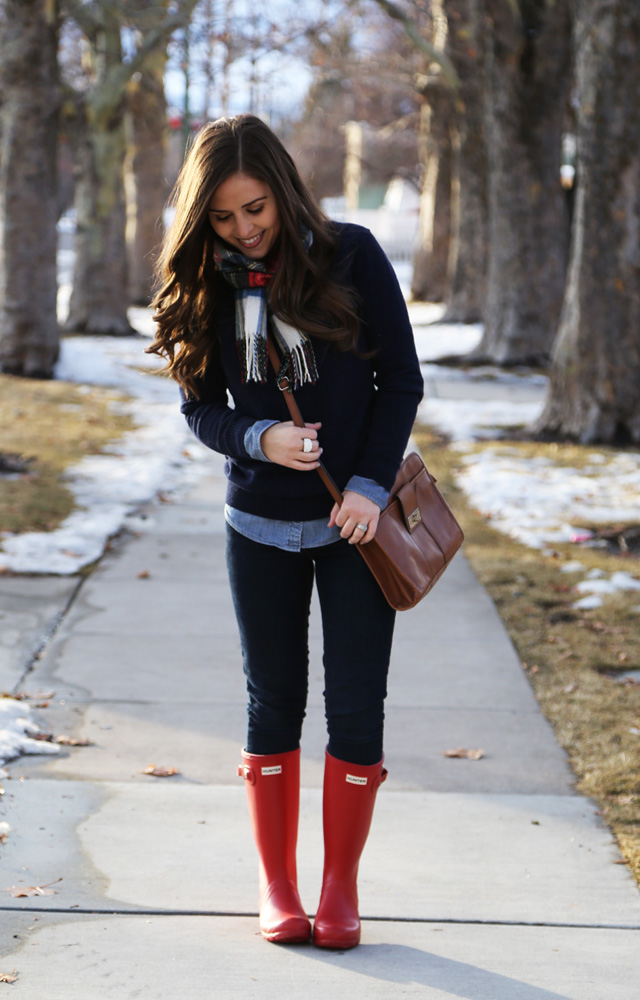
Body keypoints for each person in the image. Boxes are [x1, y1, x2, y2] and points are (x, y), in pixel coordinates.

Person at [148, 114, 423, 949]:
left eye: (256, 209)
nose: (244, 230)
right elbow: (200, 408)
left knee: (355, 707)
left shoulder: (352, 253)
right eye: (225, 218)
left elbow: (400, 381)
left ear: (283, 188)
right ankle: (279, 888)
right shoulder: (207, 280)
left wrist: (371, 486)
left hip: (354, 527)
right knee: (272, 703)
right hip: (258, 523)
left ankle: (340, 891)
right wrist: (257, 437)